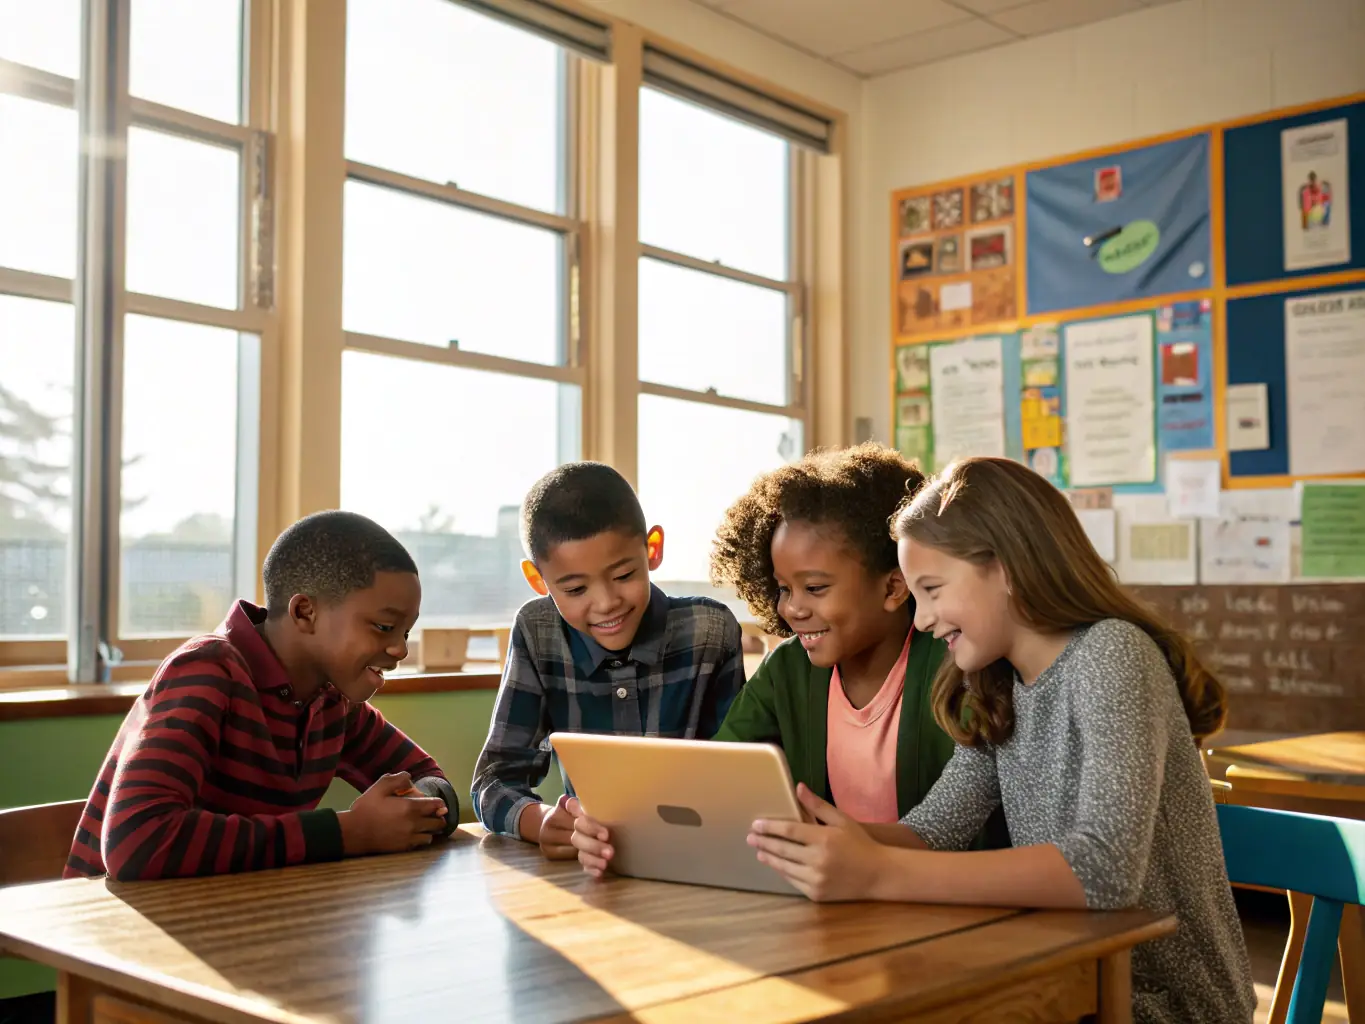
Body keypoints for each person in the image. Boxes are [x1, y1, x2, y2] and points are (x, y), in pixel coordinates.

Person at [741, 457, 1256, 1024]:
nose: (922, 620)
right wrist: (836, 846)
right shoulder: (997, 684)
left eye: (932, 590)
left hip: (1165, 1005)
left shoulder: (1112, 653)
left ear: (1006, 568)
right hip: (1066, 975)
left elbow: (1103, 871)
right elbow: (935, 830)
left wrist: (878, 872)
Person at [571, 444, 1004, 880]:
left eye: (814, 588)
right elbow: (710, 781)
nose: (791, 609)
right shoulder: (786, 671)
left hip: (951, 905)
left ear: (893, 588)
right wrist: (615, 830)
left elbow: (955, 828)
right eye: (783, 588)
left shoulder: (958, 664)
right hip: (833, 902)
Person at [65, 511, 457, 881]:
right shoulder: (207, 671)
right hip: (126, 930)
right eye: (384, 626)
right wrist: (349, 833)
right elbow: (138, 842)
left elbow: (430, 778)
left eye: (404, 632)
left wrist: (418, 807)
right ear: (305, 612)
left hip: (238, 919)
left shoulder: (333, 701)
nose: (400, 650)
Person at [471, 461, 744, 859]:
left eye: (623, 576)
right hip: (594, 868)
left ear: (652, 549)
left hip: (699, 858)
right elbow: (493, 780)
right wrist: (542, 822)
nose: (606, 603)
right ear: (538, 580)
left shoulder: (710, 631)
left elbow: (743, 774)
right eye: (577, 588)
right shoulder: (538, 631)